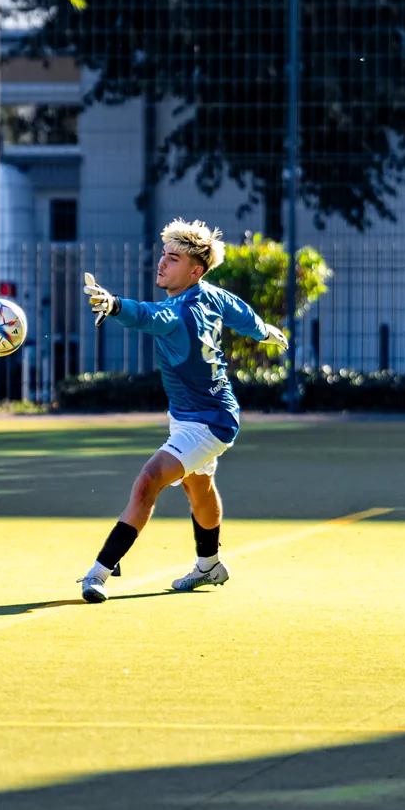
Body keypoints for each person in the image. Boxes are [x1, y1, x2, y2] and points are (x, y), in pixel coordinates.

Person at [74, 219, 287, 603]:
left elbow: (146, 316)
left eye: (173, 259)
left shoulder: (177, 313)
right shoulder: (210, 295)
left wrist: (115, 304)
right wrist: (263, 331)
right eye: (164, 254)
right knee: (198, 487)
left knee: (148, 480)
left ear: (195, 271)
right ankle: (210, 565)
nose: (162, 263)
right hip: (197, 415)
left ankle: (100, 572)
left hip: (208, 422)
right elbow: (241, 314)